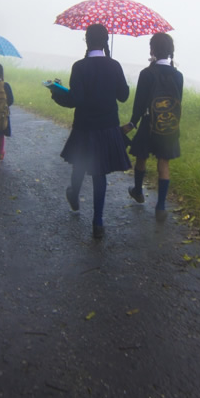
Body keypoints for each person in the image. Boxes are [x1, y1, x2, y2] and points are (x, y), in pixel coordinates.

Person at [52, 23, 132, 239]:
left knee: (80, 163)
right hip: (107, 127)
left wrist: (56, 93)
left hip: (84, 126)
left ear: (86, 41)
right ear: (106, 41)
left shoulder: (79, 67)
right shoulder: (114, 65)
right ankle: (98, 221)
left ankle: (74, 194)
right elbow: (123, 96)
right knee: (100, 173)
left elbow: (74, 100)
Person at [121, 32, 183, 222]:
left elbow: (139, 103)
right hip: (168, 126)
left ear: (152, 50)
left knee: (141, 157)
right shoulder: (178, 75)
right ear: (170, 51)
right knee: (163, 162)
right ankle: (161, 206)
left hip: (148, 123)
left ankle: (138, 191)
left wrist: (133, 123)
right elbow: (177, 102)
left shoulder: (146, 73)